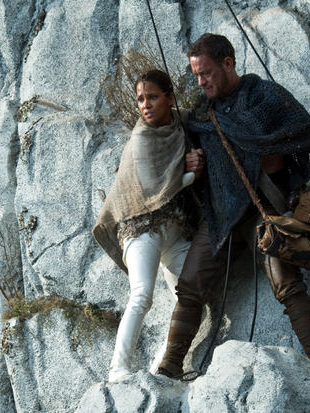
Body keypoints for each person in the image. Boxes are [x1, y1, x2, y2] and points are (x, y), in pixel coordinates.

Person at [155, 33, 310, 378]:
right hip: (222, 211)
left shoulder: (265, 96)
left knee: (287, 283)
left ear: (228, 64)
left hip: (269, 209)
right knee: (190, 284)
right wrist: (194, 161)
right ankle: (170, 367)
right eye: (195, 75)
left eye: (205, 73)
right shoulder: (204, 113)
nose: (200, 81)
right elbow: (182, 140)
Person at [93, 70, 202, 383]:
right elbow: (158, 188)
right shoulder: (142, 137)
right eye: (140, 99)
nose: (145, 105)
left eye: (152, 96)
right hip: (141, 229)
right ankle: (118, 369)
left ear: (169, 97)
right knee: (141, 296)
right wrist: (192, 171)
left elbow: (198, 122)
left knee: (193, 297)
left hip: (173, 230)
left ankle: (160, 367)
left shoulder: (180, 122)